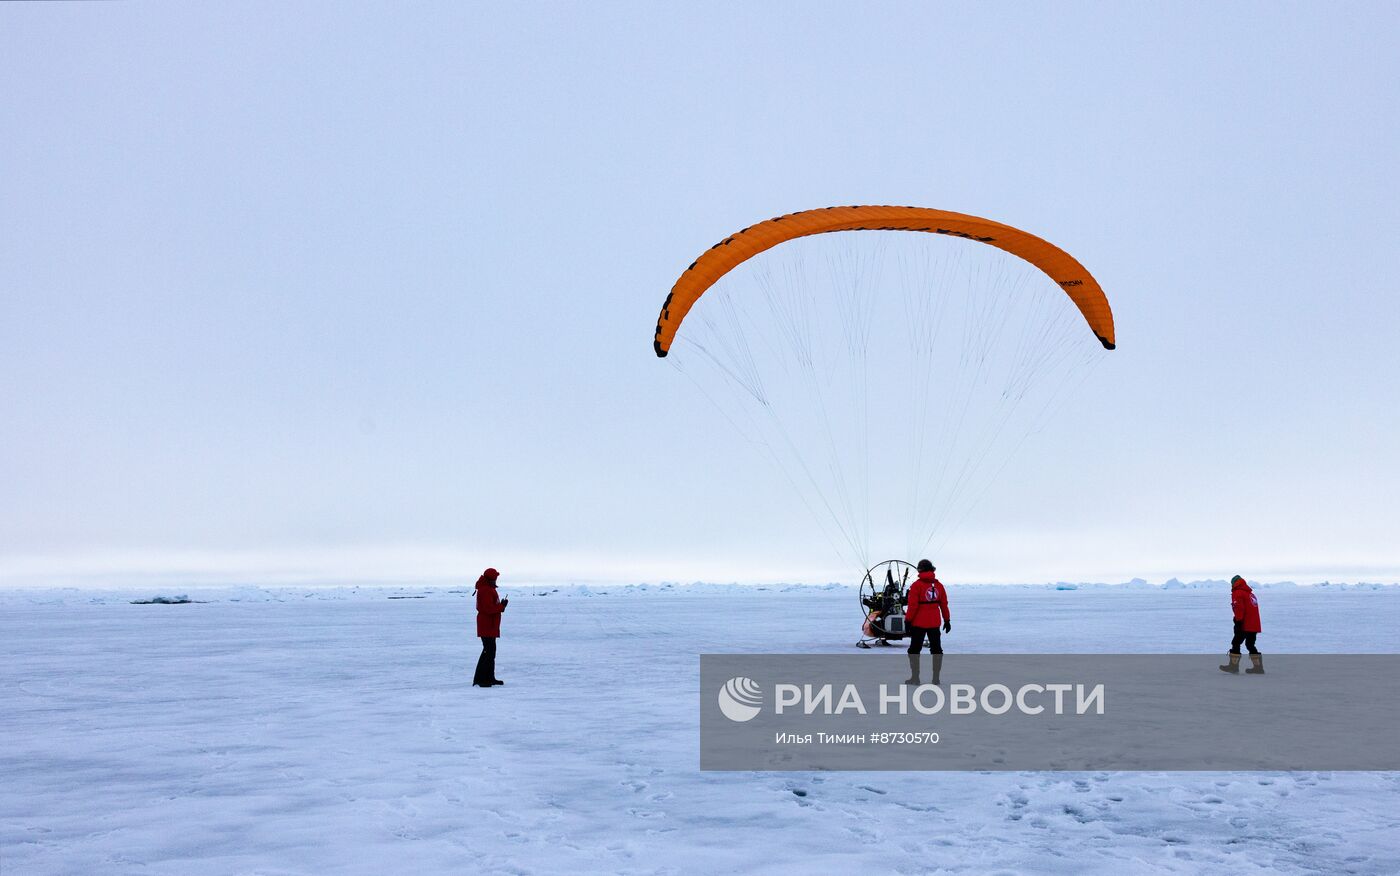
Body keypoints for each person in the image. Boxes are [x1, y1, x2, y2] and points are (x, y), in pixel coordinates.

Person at [904, 560, 951, 684]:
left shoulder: (916, 585)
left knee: (914, 651)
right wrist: (947, 620)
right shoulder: (939, 585)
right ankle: (936, 679)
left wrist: (908, 620)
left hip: (918, 624)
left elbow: (912, 606)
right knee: (936, 650)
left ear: (920, 570)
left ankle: (915, 678)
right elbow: (944, 605)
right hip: (934, 623)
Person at [1219, 574, 1263, 674]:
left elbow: (1239, 608)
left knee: (1236, 643)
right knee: (1250, 644)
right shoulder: (1250, 594)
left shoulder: (1238, 592)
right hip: (1254, 624)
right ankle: (1258, 667)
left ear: (1234, 583)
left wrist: (1238, 621)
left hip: (1244, 623)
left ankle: (1233, 666)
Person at [473, 567, 508, 687]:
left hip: (489, 625)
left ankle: (488, 678)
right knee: (488, 652)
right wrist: (501, 606)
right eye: (495, 578)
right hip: (487, 625)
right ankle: (481, 679)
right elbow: (488, 609)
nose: (496, 579)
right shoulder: (486, 590)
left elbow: (491, 607)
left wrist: (501, 606)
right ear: (491, 579)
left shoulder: (488, 589)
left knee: (490, 652)